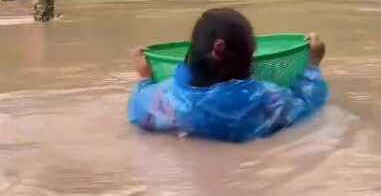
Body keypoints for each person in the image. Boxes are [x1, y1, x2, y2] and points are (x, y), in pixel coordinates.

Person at [128, 8, 328, 142]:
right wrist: (312, 65)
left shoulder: (160, 101)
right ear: (249, 58)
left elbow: (138, 108)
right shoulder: (269, 102)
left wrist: (145, 77)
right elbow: (307, 102)